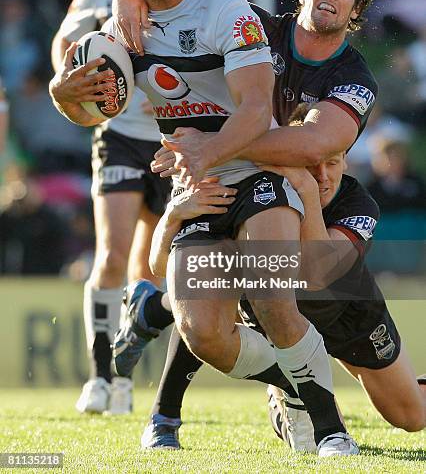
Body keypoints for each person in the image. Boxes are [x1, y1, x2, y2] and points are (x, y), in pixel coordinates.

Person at [50, 0, 356, 456]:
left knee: (270, 296)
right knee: (203, 332)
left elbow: (255, 104)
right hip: (197, 186)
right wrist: (62, 96)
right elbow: (88, 108)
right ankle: (293, 384)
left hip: (256, 172)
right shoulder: (123, 29)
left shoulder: (226, 11)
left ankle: (331, 427)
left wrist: (203, 154)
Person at [110, 0, 381, 450]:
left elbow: (314, 144)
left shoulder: (355, 76)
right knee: (208, 320)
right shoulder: (251, 22)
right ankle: (287, 394)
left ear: (357, 7)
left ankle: (159, 335)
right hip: (221, 179)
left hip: (304, 188)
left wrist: (210, 147)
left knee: (404, 410)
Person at [133, 103, 425, 453]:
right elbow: (166, 269)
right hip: (279, 327)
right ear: (285, 157)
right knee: (203, 302)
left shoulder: (358, 203)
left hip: (349, 314)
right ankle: (173, 414)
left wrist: (303, 189)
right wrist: (172, 216)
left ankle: (153, 308)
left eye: (331, 163)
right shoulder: (251, 192)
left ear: (346, 162)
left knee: (411, 417)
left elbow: (318, 274)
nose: (322, 176)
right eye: (308, 165)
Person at [50, 0, 226, 416]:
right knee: (110, 253)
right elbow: (68, 43)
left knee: (148, 272)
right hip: (121, 132)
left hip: (179, 137)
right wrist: (72, 82)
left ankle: (124, 376)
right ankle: (100, 377)